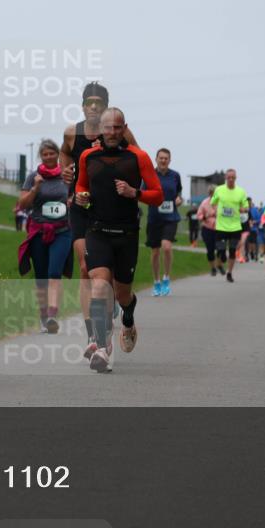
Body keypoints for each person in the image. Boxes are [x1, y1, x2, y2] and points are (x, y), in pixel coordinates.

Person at [74, 107, 162, 372]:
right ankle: (102, 346)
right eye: (107, 127)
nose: (112, 132)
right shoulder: (88, 156)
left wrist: (135, 192)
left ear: (124, 128)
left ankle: (129, 317)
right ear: (100, 129)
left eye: (117, 127)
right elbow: (81, 185)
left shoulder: (138, 157)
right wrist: (81, 196)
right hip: (97, 230)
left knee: (122, 294)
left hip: (126, 234)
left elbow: (157, 195)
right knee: (99, 285)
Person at [59, 82, 138, 343]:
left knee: (110, 279)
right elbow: (64, 155)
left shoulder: (120, 133)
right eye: (88, 102)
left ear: (105, 105)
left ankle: (113, 302)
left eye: (98, 102)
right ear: (82, 106)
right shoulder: (72, 133)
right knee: (85, 267)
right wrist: (66, 171)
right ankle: (93, 334)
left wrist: (132, 190)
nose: (93, 106)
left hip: (113, 210)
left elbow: (138, 162)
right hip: (82, 208)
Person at [17, 139, 74, 333]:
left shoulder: (66, 176)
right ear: (41, 157)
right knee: (41, 277)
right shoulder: (33, 176)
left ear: (58, 155)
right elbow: (22, 204)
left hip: (62, 231)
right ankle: (43, 317)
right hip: (39, 231)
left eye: (52, 153)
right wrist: (35, 188)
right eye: (45, 154)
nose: (49, 157)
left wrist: (72, 201)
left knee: (54, 273)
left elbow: (78, 196)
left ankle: (52, 315)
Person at [146, 148, 183, 297]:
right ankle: (156, 281)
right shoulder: (149, 175)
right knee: (155, 252)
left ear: (169, 160)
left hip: (170, 218)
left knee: (166, 247)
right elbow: (143, 193)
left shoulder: (175, 176)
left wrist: (179, 199)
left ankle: (166, 278)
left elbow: (178, 191)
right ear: (156, 159)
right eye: (160, 158)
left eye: (166, 158)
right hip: (154, 218)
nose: (163, 160)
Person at [209, 169, 248, 283]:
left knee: (232, 251)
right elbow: (213, 202)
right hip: (221, 226)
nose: (231, 179)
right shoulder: (219, 190)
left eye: (233, 177)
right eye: (229, 177)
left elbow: (246, 206)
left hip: (235, 226)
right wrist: (216, 210)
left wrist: (243, 209)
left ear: (236, 178)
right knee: (220, 250)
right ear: (226, 178)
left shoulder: (241, 192)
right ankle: (221, 257)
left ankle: (229, 273)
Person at [196, 185, 219, 275]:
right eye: (211, 193)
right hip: (207, 228)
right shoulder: (204, 203)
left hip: (219, 228)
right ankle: (213, 268)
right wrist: (205, 216)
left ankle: (219, 264)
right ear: (209, 193)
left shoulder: (221, 202)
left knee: (220, 248)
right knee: (210, 250)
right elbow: (199, 215)